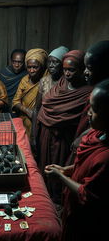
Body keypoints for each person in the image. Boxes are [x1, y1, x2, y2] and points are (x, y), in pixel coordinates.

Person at [44, 79, 109, 241]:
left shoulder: (106, 156)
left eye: (93, 110)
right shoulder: (96, 134)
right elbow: (83, 164)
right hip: (72, 206)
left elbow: (87, 194)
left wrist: (61, 177)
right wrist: (66, 169)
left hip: (86, 219)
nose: (88, 113)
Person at [36, 50, 92, 205]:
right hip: (47, 133)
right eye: (65, 69)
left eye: (72, 70)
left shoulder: (87, 92)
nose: (67, 73)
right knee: (45, 166)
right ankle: (44, 197)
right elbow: (45, 106)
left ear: (81, 69)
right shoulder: (60, 83)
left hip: (64, 137)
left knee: (60, 167)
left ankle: (58, 201)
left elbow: (83, 121)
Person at [31, 46, 69, 153]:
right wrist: (33, 135)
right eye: (49, 62)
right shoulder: (44, 82)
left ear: (62, 64)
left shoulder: (67, 83)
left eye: (55, 62)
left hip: (61, 132)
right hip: (45, 129)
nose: (51, 65)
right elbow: (36, 109)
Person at [12, 48, 48, 137]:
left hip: (41, 122)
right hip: (24, 121)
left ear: (42, 66)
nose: (31, 70)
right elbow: (15, 101)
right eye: (29, 67)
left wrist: (36, 115)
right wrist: (28, 111)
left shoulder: (47, 81)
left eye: (35, 67)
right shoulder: (25, 80)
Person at [0, 49, 27, 116]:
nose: (16, 65)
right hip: (4, 107)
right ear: (11, 61)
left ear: (24, 62)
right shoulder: (4, 73)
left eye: (20, 62)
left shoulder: (27, 75)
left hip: (19, 107)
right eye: (14, 62)